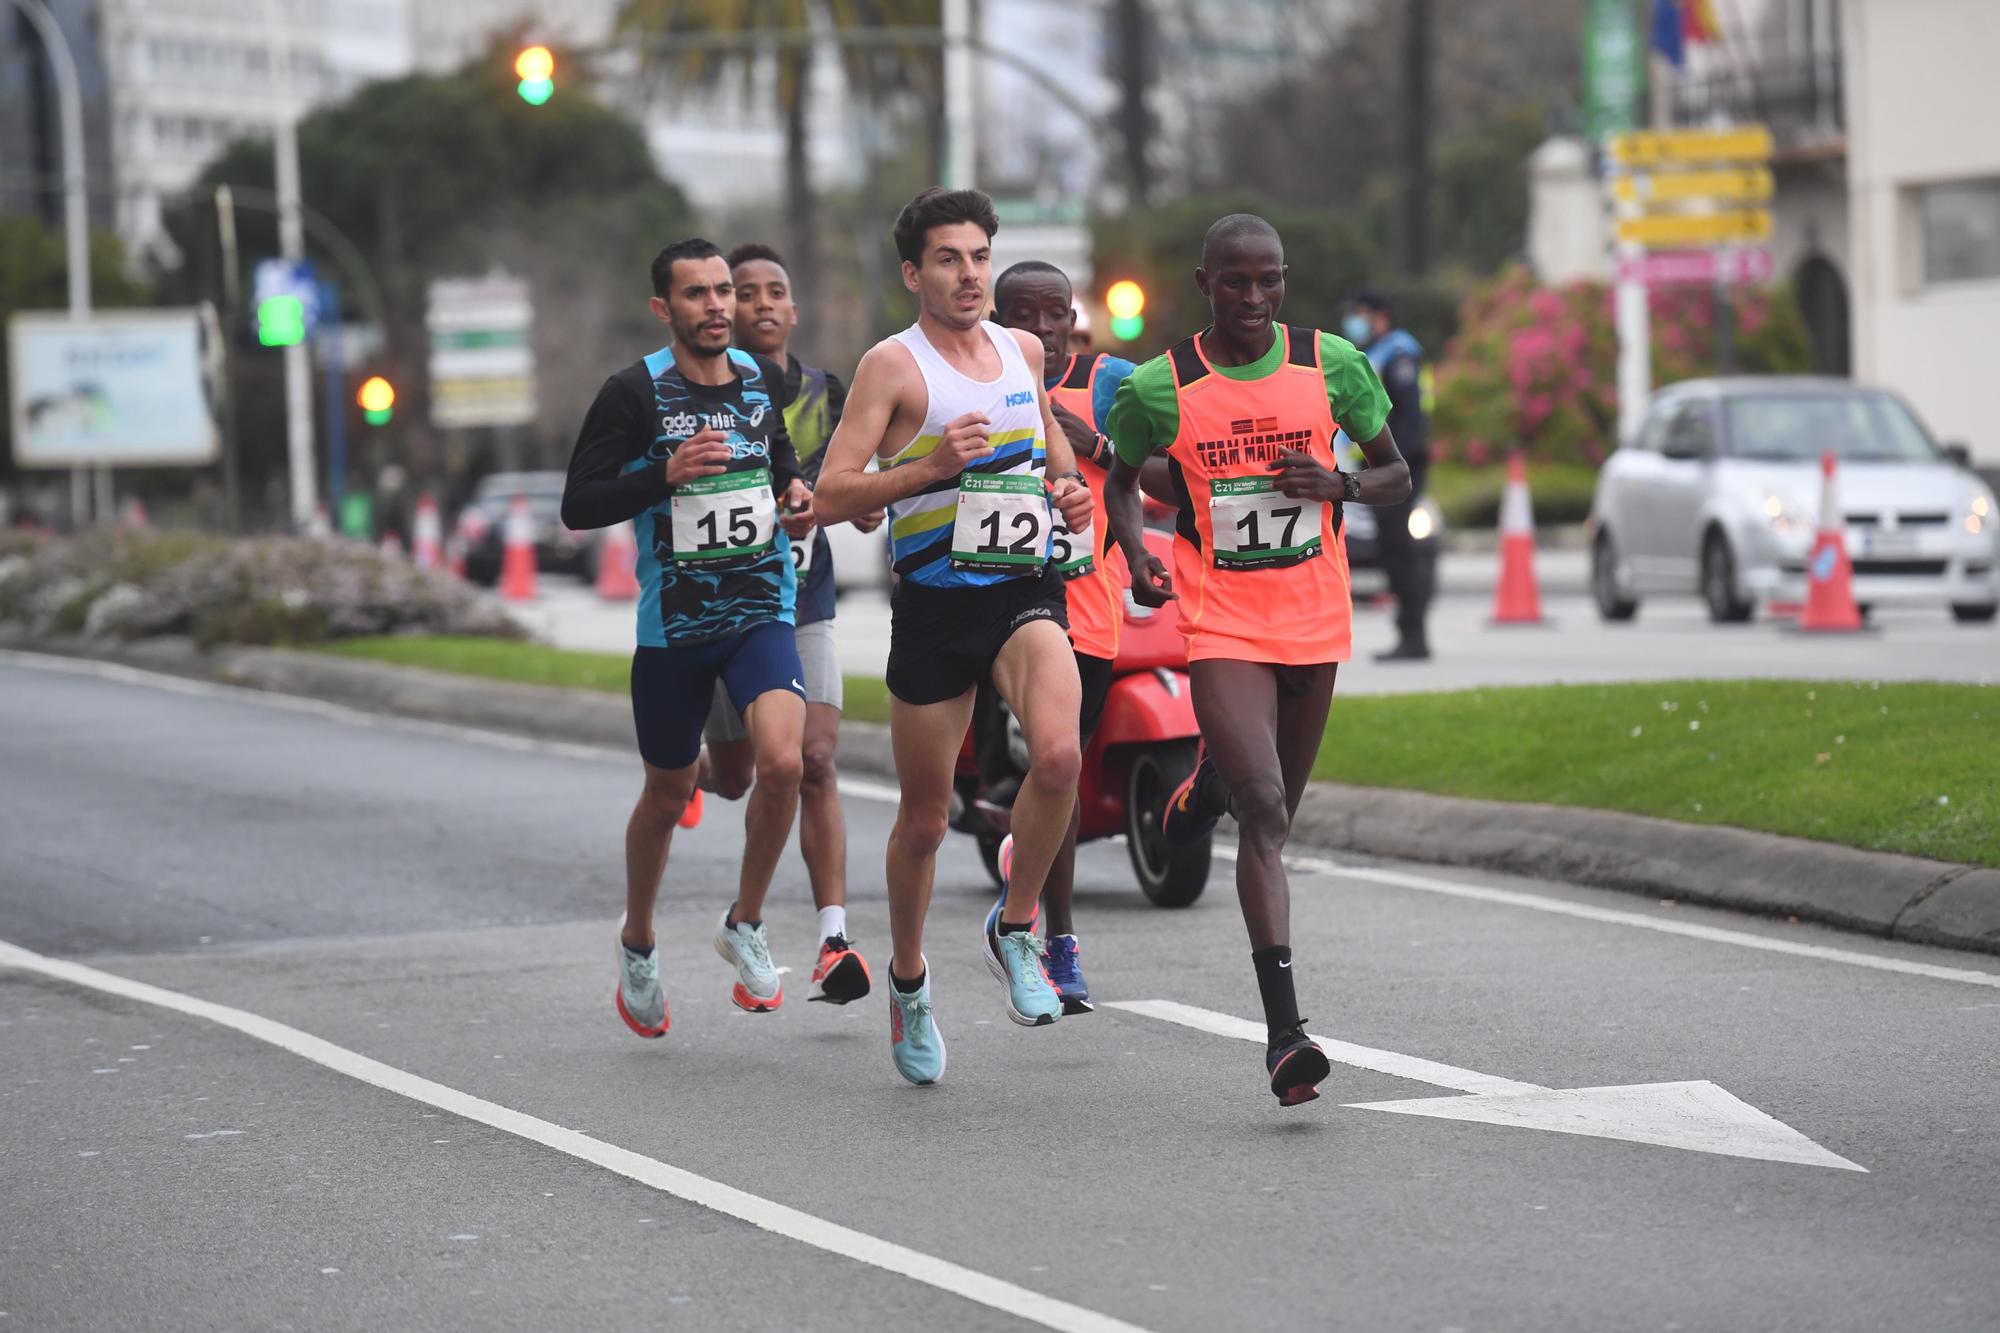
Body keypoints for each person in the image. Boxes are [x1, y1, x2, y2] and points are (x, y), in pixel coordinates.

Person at [1103, 213, 1411, 1106]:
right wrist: (1139, 554)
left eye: (1268, 280)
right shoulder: (1162, 386)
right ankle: (1286, 1036)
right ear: (1204, 283)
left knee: (1262, 805)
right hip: (1221, 614)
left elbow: (1398, 474)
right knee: (1267, 810)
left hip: (1314, 617)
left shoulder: (1331, 366)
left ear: (1285, 280)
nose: (1252, 298)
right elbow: (1123, 479)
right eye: (1234, 281)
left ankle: (1202, 792)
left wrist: (1342, 483)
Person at [813, 187, 1096, 1086]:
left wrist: (1070, 491)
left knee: (1058, 757)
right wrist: (931, 467)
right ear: (914, 272)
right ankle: (908, 981)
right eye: (948, 259)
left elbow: (1047, 435)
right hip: (935, 604)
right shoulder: (890, 368)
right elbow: (831, 494)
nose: (969, 274)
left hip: (1023, 585)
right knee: (927, 823)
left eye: (978, 256)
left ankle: (1015, 931)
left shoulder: (1021, 348)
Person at [560, 237, 816, 1038]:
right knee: (673, 792)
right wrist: (660, 475)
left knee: (781, 764)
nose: (717, 306)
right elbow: (580, 503)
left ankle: (745, 922)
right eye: (697, 295)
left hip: (760, 607)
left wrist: (795, 488)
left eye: (722, 292)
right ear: (663, 308)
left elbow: (775, 457)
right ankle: (638, 936)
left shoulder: (758, 378)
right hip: (675, 627)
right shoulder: (633, 393)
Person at [693, 242, 881, 1007]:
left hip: (804, 596)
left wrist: (865, 499)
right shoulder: (697, 394)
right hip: (721, 605)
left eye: (776, 292)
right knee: (738, 777)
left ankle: (833, 937)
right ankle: (687, 776)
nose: (762, 304)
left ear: (795, 311)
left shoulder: (826, 392)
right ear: (720, 308)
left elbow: (854, 479)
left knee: (816, 759)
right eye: (745, 292)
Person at [985, 260, 1140, 1014]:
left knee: (1064, 768)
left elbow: (1169, 478)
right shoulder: (976, 375)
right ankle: (1060, 940)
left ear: (1074, 316)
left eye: (1055, 315)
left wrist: (1099, 448)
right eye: (1023, 314)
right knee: (1051, 761)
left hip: (1089, 606)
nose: (1041, 330)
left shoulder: (1111, 381)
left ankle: (1043, 908)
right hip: (1005, 605)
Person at [1343, 287, 1433, 661]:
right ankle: (1410, 634)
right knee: (1394, 550)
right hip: (1382, 466)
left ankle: (1413, 636)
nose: (1354, 321)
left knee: (1400, 551)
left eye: (1360, 313)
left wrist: (1398, 467)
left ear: (1379, 315)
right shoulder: (1376, 353)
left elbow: (1408, 417)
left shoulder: (1399, 353)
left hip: (1397, 466)